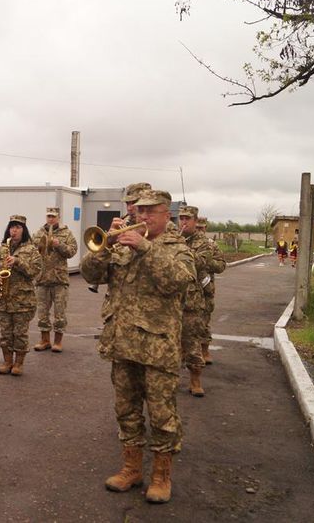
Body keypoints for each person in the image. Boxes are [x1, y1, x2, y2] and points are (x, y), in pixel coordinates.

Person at [80, 189, 195, 504]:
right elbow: (90, 274)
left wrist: (145, 247)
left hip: (158, 348)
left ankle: (161, 475)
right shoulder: (124, 242)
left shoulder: (176, 246)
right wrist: (107, 248)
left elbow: (178, 281)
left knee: (162, 415)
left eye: (150, 212)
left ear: (164, 214)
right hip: (123, 343)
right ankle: (132, 468)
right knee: (126, 411)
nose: (141, 217)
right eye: (139, 211)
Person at [0, 215, 42, 376]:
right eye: (12, 227)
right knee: (5, 333)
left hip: (22, 301)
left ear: (24, 230)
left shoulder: (31, 250)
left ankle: (18, 363)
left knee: (20, 333)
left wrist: (18, 262)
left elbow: (35, 271)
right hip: (2, 299)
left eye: (18, 227)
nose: (14, 230)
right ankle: (7, 361)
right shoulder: (1, 248)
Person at [178, 205, 218, 397]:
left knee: (192, 340)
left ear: (195, 221)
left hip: (193, 298)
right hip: (173, 295)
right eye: (181, 218)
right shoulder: (173, 237)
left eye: (187, 219)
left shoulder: (204, 243)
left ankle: (195, 379)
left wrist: (179, 248)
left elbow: (200, 262)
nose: (183, 222)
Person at [88, 182, 151, 294]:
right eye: (127, 203)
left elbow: (178, 281)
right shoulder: (122, 224)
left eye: (134, 203)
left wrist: (143, 245)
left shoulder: (163, 229)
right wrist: (107, 245)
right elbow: (89, 274)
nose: (129, 208)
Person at [32, 207, 77, 352]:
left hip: (59, 279)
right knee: (42, 313)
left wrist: (59, 245)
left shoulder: (66, 233)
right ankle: (45, 340)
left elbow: (72, 251)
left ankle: (58, 342)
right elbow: (31, 251)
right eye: (48, 216)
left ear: (58, 217)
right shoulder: (39, 233)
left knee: (60, 313)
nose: (50, 219)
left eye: (53, 217)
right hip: (42, 278)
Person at [196, 217, 226, 364]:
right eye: (197, 228)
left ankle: (204, 350)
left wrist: (206, 262)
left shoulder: (211, 245)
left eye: (202, 228)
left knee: (204, 320)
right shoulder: (183, 242)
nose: (199, 231)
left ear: (206, 228)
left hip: (205, 289)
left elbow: (221, 266)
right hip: (187, 288)